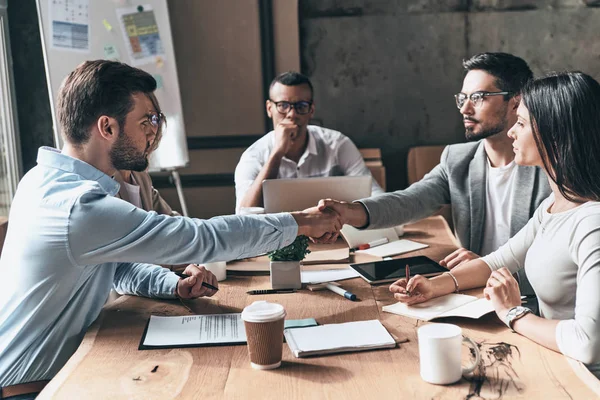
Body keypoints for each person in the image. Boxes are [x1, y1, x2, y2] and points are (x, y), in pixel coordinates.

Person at [0, 60, 340, 396]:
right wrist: (303, 222)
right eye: (146, 119)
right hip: (35, 387)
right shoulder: (79, 207)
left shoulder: (44, 180)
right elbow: (198, 239)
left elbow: (114, 268)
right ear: (107, 128)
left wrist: (173, 285)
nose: (154, 130)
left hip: (63, 370)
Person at [390, 71, 600, 377]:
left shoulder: (592, 224)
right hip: (558, 363)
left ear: (555, 134)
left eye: (522, 123)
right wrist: (433, 286)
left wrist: (513, 314)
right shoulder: (553, 206)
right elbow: (496, 262)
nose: (512, 133)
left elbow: (588, 344)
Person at [318, 53, 550, 294]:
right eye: (462, 98)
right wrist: (350, 212)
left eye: (478, 98)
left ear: (515, 102)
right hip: (471, 293)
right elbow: (411, 201)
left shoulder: (548, 168)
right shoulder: (458, 159)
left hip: (526, 301)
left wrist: (486, 267)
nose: (465, 109)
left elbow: (556, 262)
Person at [234, 71, 384, 212]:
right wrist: (277, 153)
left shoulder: (337, 144)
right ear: (269, 108)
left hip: (334, 235)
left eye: (301, 106)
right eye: (283, 106)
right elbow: (244, 215)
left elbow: (376, 197)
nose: (292, 114)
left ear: (311, 110)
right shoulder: (253, 156)